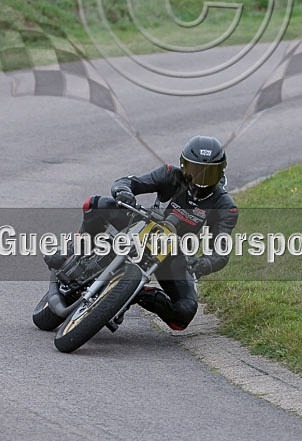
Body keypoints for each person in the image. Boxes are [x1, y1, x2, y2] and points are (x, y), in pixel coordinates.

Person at [46, 136, 238, 331]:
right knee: (95, 204)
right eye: (195, 171)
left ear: (221, 172)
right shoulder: (170, 174)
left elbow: (221, 252)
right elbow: (128, 182)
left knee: (184, 313)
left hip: (172, 254)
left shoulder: (225, 207)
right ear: (183, 165)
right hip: (141, 224)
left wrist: (203, 264)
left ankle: (134, 293)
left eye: (208, 174)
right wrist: (124, 192)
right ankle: (75, 250)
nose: (200, 181)